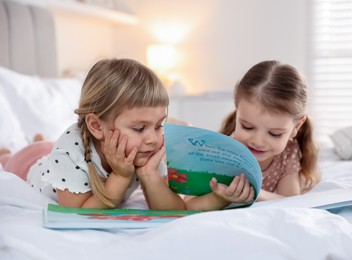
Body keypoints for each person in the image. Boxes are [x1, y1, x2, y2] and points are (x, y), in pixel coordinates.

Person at [1, 58, 186, 210]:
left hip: (51, 151)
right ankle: (9, 152)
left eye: (159, 125)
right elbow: (81, 212)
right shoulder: (70, 151)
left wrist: (149, 175)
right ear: (97, 126)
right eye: (139, 128)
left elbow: (174, 210)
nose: (152, 139)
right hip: (28, 164)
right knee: (12, 158)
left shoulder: (145, 150)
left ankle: (41, 140)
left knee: (46, 146)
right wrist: (121, 176)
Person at [185, 60, 320, 210]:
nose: (258, 141)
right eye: (247, 127)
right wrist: (219, 197)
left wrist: (255, 194)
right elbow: (189, 204)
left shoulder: (288, 153)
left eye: (274, 134)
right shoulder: (221, 152)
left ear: (297, 127)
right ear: (237, 111)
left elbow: (291, 202)